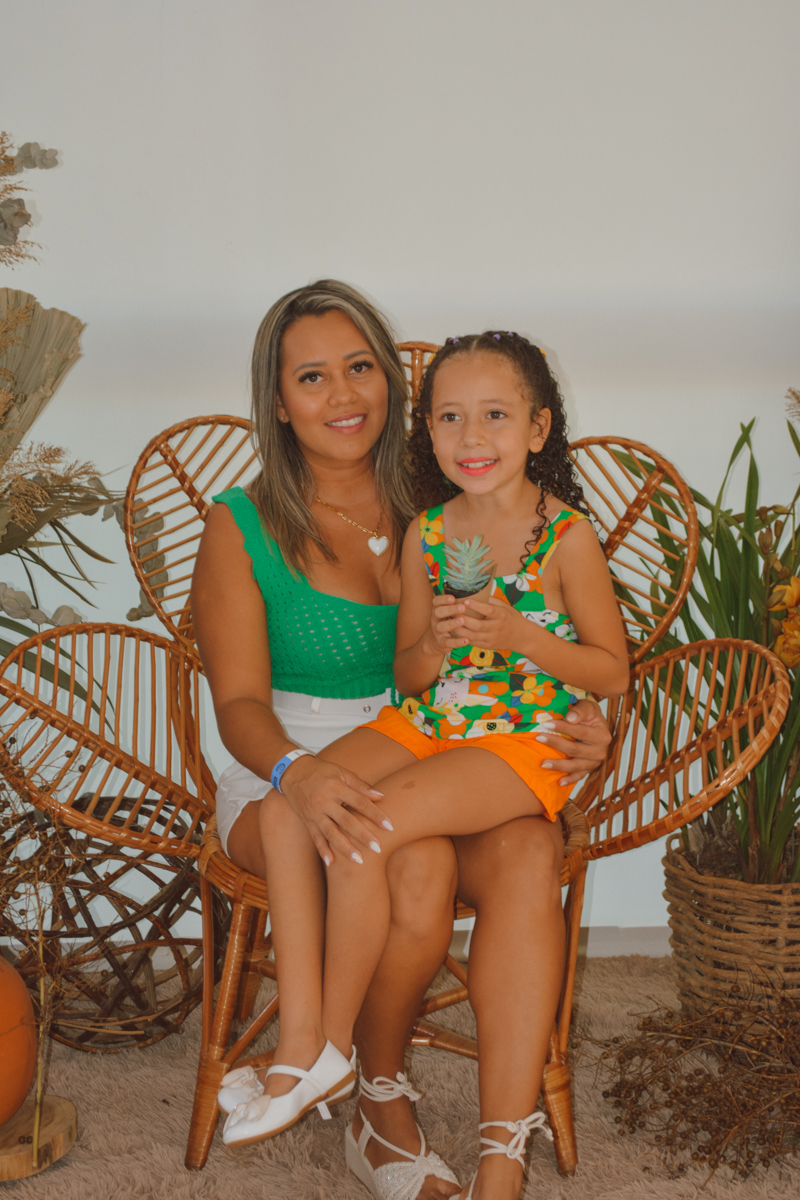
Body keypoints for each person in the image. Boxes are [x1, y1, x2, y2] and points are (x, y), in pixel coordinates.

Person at [192, 283, 613, 1200]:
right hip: (285, 762)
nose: (343, 394)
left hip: (450, 750)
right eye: (312, 377)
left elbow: (554, 643)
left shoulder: (453, 493)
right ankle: (370, 1094)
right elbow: (237, 705)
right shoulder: (242, 522)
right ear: (277, 401)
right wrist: (297, 773)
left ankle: (502, 1157)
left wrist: (593, 725)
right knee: (406, 865)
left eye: (360, 368)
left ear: (392, 383)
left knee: (529, 850)